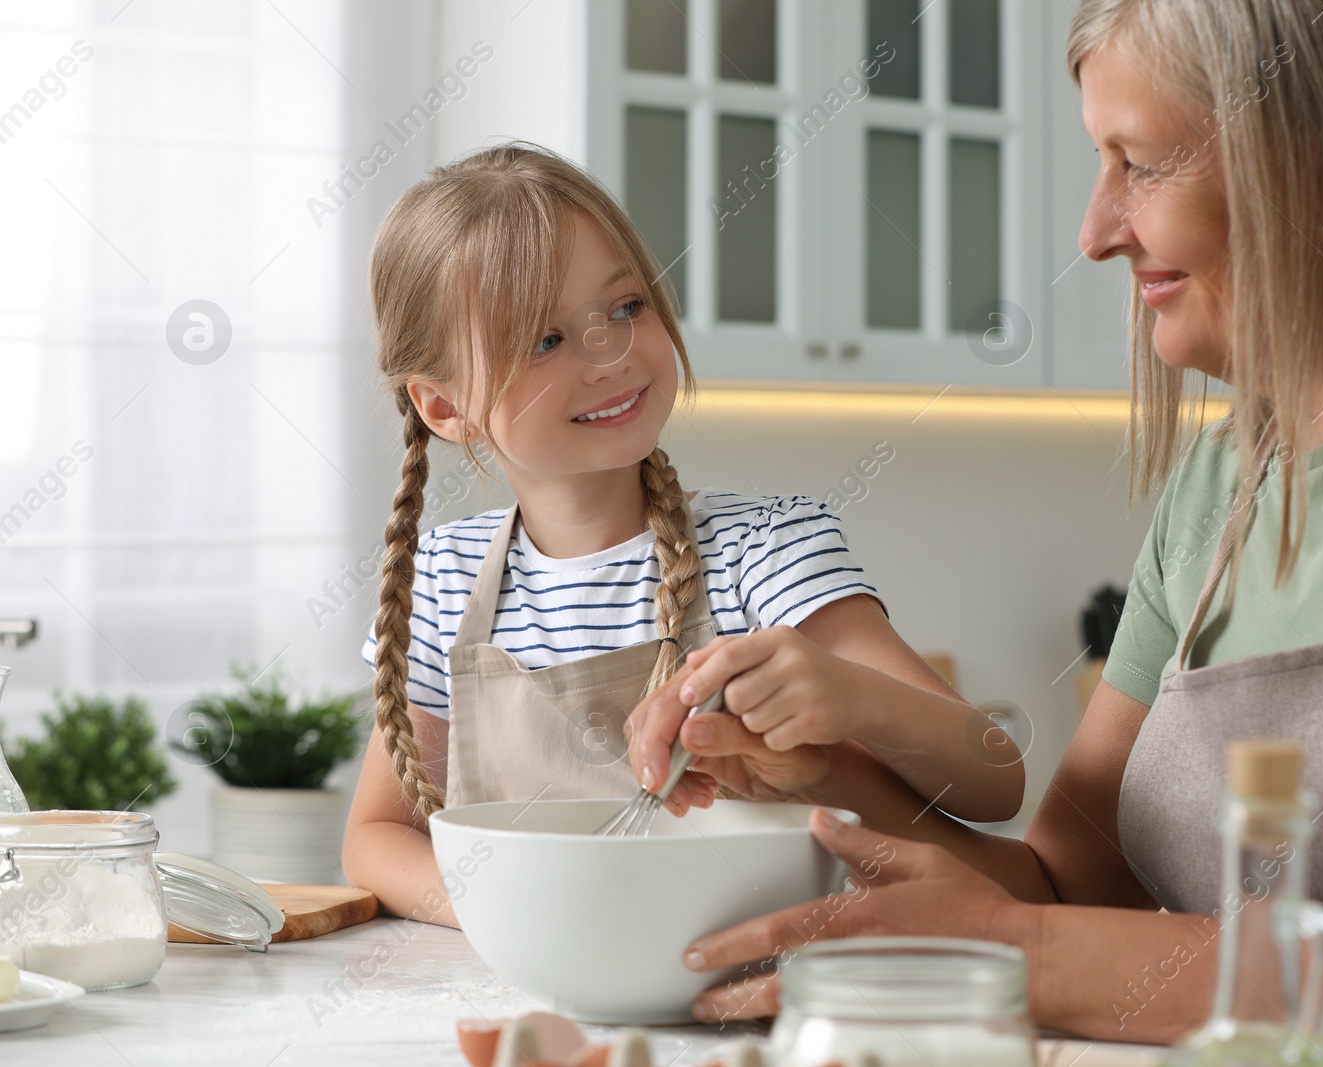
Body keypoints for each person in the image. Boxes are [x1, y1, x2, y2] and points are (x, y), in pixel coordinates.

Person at [628, 0, 1323, 1050]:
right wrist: (824, 767)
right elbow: (1059, 881)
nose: (1094, 233)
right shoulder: (1220, 479)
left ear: (1319, 166)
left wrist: (1021, 955)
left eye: (1136, 164)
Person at [340, 145, 1023, 926]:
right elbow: (377, 835)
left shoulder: (766, 552)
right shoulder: (448, 577)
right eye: (544, 340)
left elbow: (996, 780)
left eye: (625, 307)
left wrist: (852, 699)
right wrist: (515, 914)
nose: (607, 353)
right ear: (441, 406)